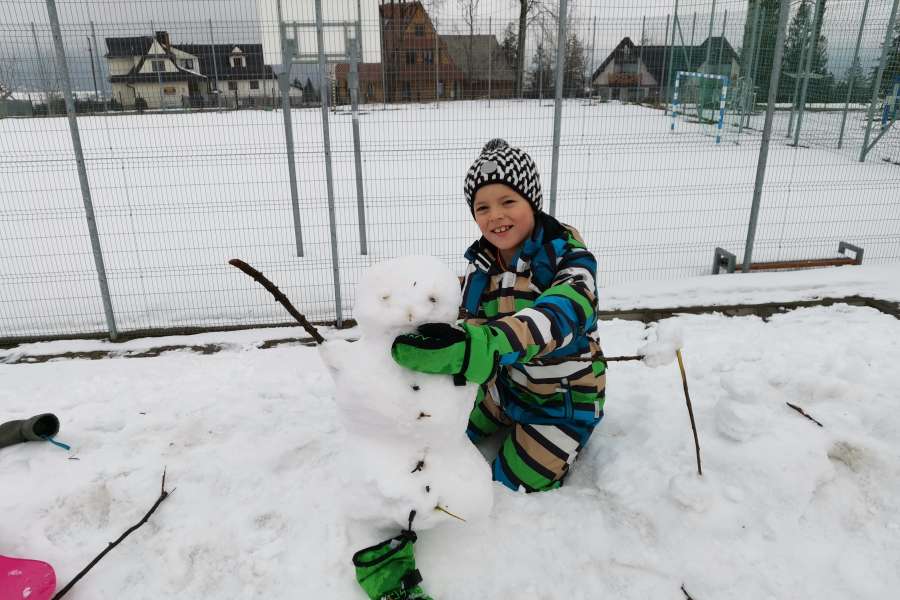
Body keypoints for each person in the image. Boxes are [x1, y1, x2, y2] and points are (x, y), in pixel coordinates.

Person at [392, 138, 606, 493]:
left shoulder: (568, 258)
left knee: (504, 489)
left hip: (562, 401)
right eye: (483, 207)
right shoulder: (482, 264)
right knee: (440, 434)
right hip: (504, 391)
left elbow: (563, 312)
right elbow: (469, 318)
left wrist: (486, 345)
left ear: (532, 202)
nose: (495, 216)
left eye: (508, 201)